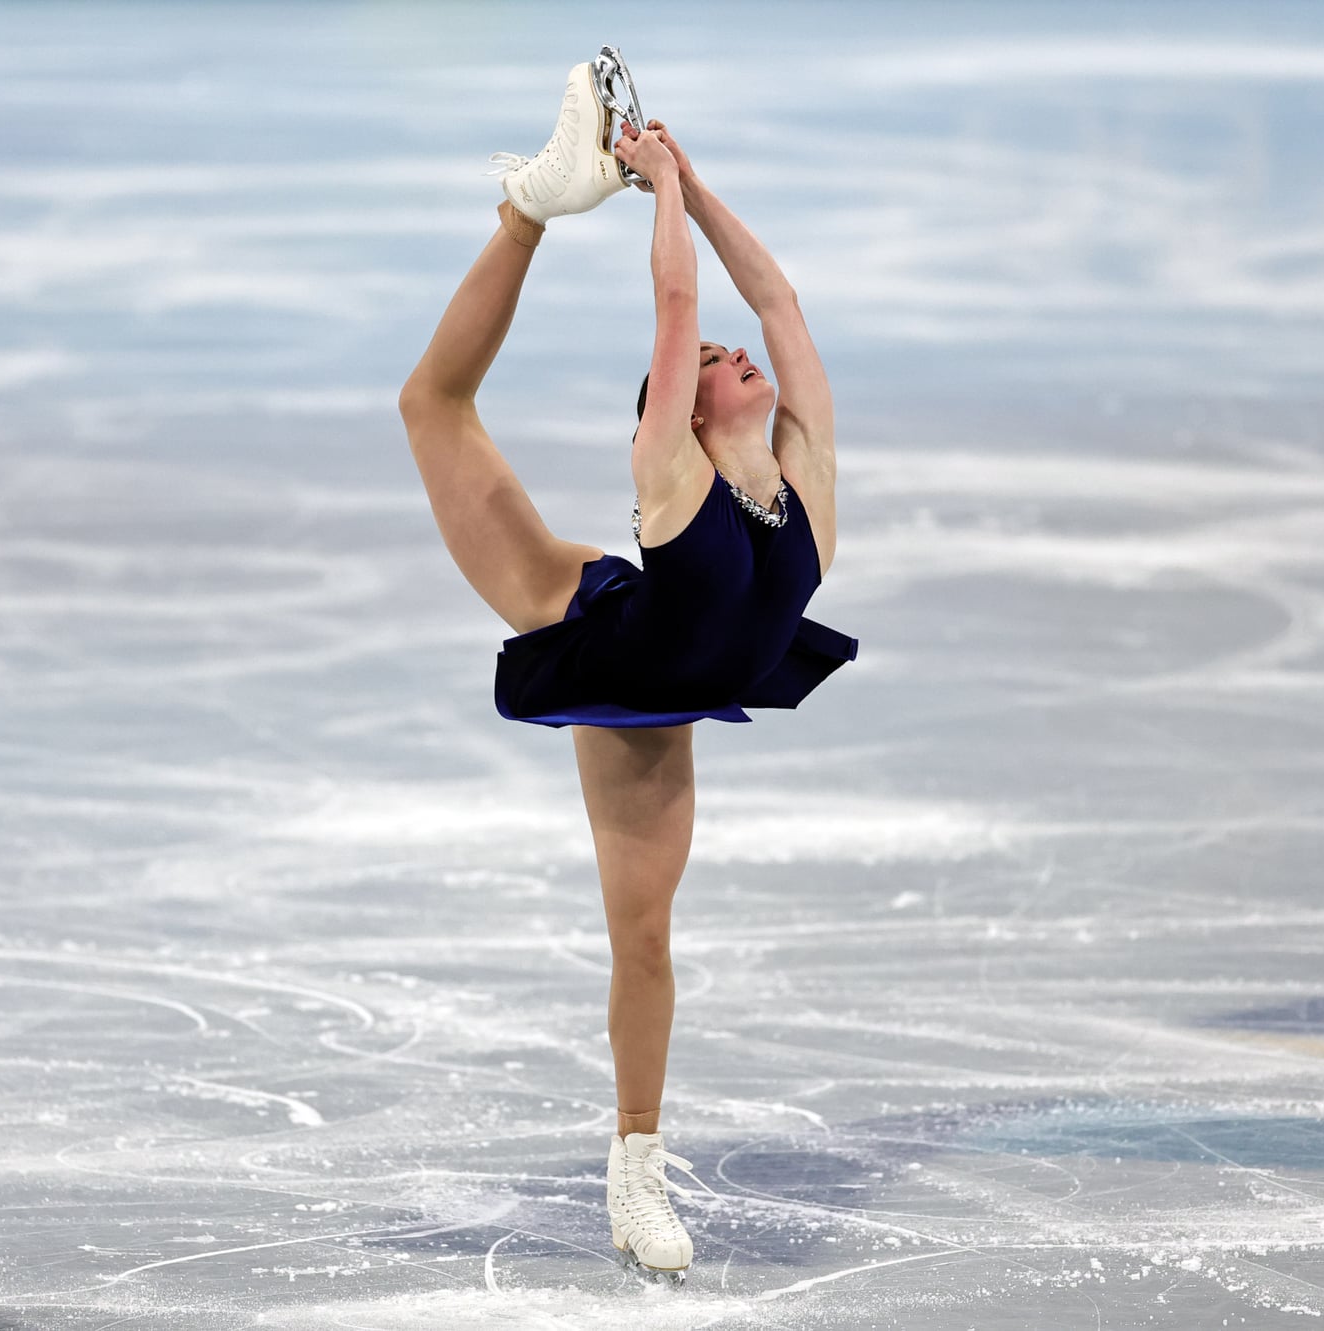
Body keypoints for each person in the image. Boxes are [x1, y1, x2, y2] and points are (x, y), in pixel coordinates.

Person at [396, 55, 857, 1281]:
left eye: (726, 353)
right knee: (431, 406)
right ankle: (530, 210)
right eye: (712, 362)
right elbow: (669, 314)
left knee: (645, 935)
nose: (732, 354)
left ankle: (633, 1161)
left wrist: (694, 187)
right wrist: (644, 191)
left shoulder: (805, 487)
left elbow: (784, 310)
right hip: (605, 641)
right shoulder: (672, 468)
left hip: (694, 657)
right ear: (680, 411)